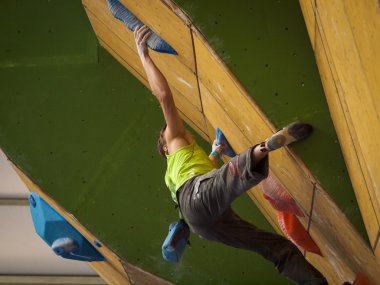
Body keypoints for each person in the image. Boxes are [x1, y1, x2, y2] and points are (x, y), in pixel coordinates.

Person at [134, 25, 328, 285]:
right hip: (198, 198)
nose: (183, 130)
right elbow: (164, 97)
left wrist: (216, 151)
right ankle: (265, 147)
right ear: (166, 146)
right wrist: (143, 55)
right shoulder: (174, 138)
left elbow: (207, 173)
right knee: (235, 172)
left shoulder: (176, 171)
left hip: (205, 223)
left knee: (274, 247)